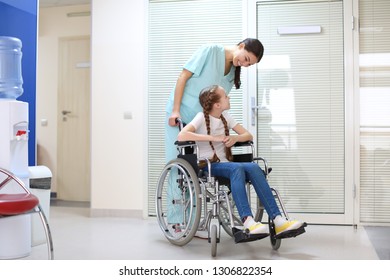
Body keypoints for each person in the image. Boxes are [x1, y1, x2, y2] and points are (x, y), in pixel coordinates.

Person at [177, 85, 305, 237]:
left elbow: (248, 136)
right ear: (217, 104)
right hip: (208, 166)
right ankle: (248, 222)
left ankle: (278, 220)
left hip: (226, 164)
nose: (228, 97)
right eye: (225, 96)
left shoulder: (226, 117)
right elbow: (182, 136)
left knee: (253, 167)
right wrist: (213, 138)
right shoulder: (200, 117)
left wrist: (235, 138)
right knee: (236, 169)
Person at [165, 38, 264, 164]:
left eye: (248, 64)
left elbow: (218, 104)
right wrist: (175, 110)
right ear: (241, 46)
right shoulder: (210, 51)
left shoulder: (233, 73)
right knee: (178, 164)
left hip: (203, 123)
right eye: (246, 59)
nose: (244, 65)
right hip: (182, 113)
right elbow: (183, 76)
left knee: (199, 169)